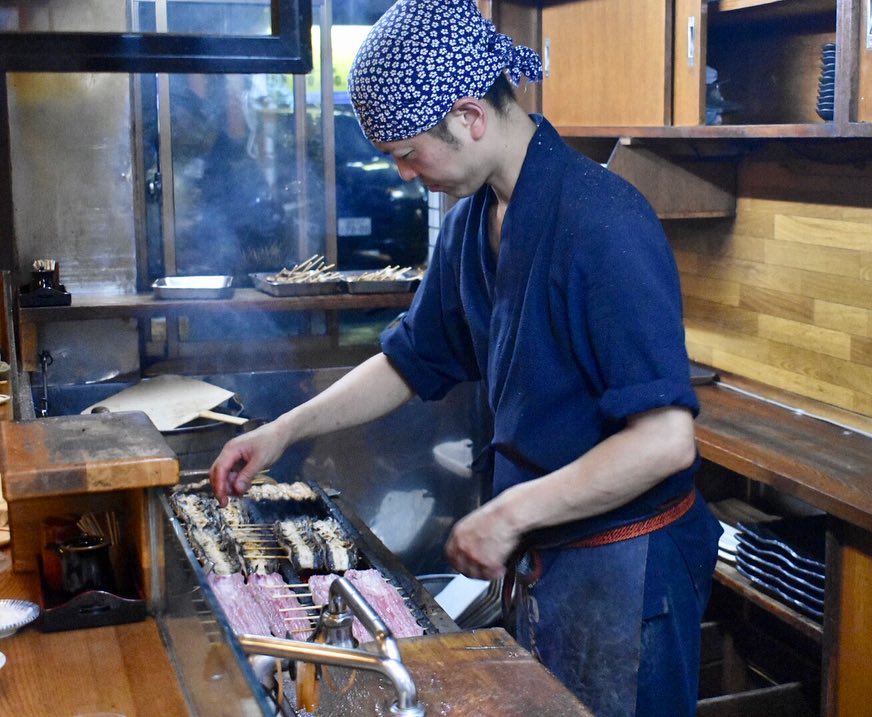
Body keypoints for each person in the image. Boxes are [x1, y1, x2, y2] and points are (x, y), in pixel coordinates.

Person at [210, 1, 722, 714]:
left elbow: (665, 440)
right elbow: (407, 361)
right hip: (547, 561)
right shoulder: (472, 225)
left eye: (408, 154)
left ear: (469, 116)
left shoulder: (604, 223)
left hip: (625, 569)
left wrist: (512, 511)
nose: (404, 176)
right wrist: (284, 430)